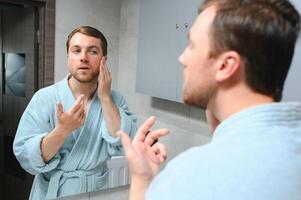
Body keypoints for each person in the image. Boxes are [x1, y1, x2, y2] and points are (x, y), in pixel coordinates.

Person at [118, 0, 301, 199]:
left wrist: (141, 181)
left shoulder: (190, 179)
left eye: (191, 46)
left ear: (225, 66)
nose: (182, 58)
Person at [13, 26, 137, 200]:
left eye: (92, 51)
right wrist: (63, 130)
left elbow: (124, 145)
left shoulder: (115, 100)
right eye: (76, 50)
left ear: (104, 60)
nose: (83, 58)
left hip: (96, 191)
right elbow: (26, 157)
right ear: (68, 57)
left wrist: (105, 98)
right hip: (54, 191)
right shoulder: (44, 98)